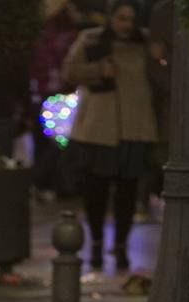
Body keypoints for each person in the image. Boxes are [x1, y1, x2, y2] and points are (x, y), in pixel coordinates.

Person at [62, 0, 157, 273]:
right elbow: (69, 70)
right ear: (111, 18)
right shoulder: (91, 39)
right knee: (96, 191)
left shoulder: (146, 42)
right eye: (121, 18)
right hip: (99, 128)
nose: (127, 24)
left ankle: (121, 245)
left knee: (127, 192)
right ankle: (95, 243)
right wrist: (98, 71)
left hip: (134, 128)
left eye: (131, 19)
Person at [28, 0, 81, 199]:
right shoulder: (69, 36)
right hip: (62, 94)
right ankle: (45, 181)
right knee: (58, 144)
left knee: (47, 142)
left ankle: (42, 183)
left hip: (42, 93)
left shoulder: (41, 36)